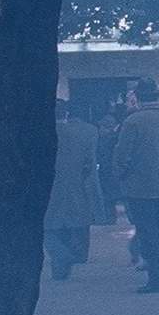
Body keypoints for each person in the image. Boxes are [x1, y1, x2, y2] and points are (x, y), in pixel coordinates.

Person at [111, 77, 159, 294]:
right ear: (158, 95)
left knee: (146, 233)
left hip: (138, 188)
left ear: (138, 97)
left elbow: (121, 156)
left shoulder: (132, 122)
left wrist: (119, 176)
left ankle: (156, 278)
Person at [43, 100, 100, 282]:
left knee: (46, 227)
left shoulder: (39, 135)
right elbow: (89, 164)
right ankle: (60, 269)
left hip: (47, 187)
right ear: (66, 114)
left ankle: (61, 257)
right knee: (67, 224)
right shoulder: (81, 134)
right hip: (74, 186)